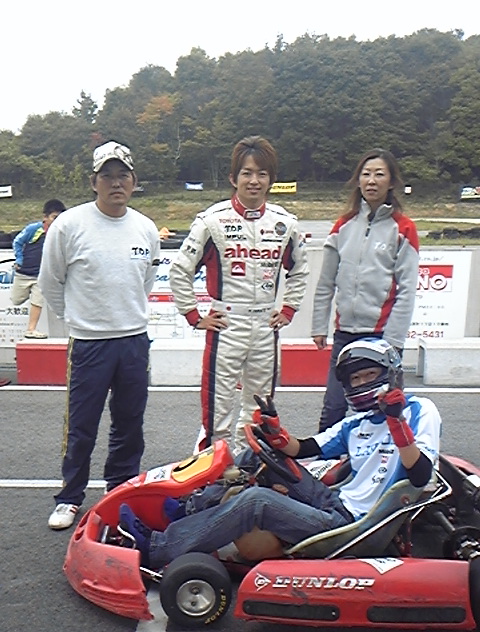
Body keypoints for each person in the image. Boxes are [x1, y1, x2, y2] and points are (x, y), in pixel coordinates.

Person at [119, 338, 441, 569]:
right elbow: (305, 449)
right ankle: (188, 513)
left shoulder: (418, 411)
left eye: (369, 375)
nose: (361, 382)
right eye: (355, 378)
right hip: (333, 501)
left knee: (256, 502)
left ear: (390, 374)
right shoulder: (357, 423)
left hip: (354, 525)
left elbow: (420, 475)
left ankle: (158, 549)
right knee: (252, 457)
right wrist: (276, 433)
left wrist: (396, 422)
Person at [38, 141, 161, 530]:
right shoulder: (69, 225)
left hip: (134, 341)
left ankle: (120, 490)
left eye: (123, 175)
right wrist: (78, 320)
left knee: (129, 423)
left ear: (134, 181)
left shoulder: (145, 227)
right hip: (89, 343)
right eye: (107, 176)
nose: (115, 183)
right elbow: (50, 282)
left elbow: (145, 281)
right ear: (94, 182)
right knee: (81, 424)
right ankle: (69, 497)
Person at [168, 135, 308, 455]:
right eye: (247, 173)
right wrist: (194, 316)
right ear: (234, 178)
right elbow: (180, 269)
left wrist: (288, 308)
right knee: (217, 407)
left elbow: (300, 269)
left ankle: (250, 465)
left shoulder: (285, 224)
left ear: (271, 179)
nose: (254, 180)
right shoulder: (212, 221)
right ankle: (214, 468)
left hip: (265, 325)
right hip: (227, 324)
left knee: (259, 408)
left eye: (262, 173)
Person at [311, 148, 419, 432]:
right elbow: (325, 282)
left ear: (391, 182)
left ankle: (392, 457)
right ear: (358, 180)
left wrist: (393, 341)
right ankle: (324, 459)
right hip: (345, 334)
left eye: (379, 174)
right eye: (366, 174)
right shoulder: (342, 226)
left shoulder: (404, 228)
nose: (371, 180)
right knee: (334, 407)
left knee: (385, 409)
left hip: (381, 337)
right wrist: (319, 325)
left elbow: (407, 290)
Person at [10, 199, 67, 338]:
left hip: (40, 276)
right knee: (16, 300)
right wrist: (19, 259)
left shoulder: (62, 233)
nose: (58, 221)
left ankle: (31, 329)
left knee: (37, 301)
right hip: (23, 273)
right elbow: (17, 242)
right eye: (54, 217)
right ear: (45, 217)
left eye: (61, 218)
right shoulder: (33, 229)